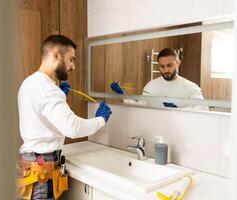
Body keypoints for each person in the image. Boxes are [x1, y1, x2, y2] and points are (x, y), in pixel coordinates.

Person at [17, 35, 112, 200]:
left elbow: (42, 117)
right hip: (41, 171)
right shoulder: (46, 89)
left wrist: (60, 95)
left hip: (34, 164)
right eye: (71, 59)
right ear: (55, 55)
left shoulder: (30, 82)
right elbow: (73, 128)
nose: (73, 67)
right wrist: (100, 119)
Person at [111, 48, 208, 110]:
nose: (166, 70)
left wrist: (179, 110)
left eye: (169, 65)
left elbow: (203, 109)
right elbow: (141, 106)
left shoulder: (190, 87)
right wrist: (123, 96)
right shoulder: (151, 86)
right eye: (162, 66)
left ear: (178, 63)